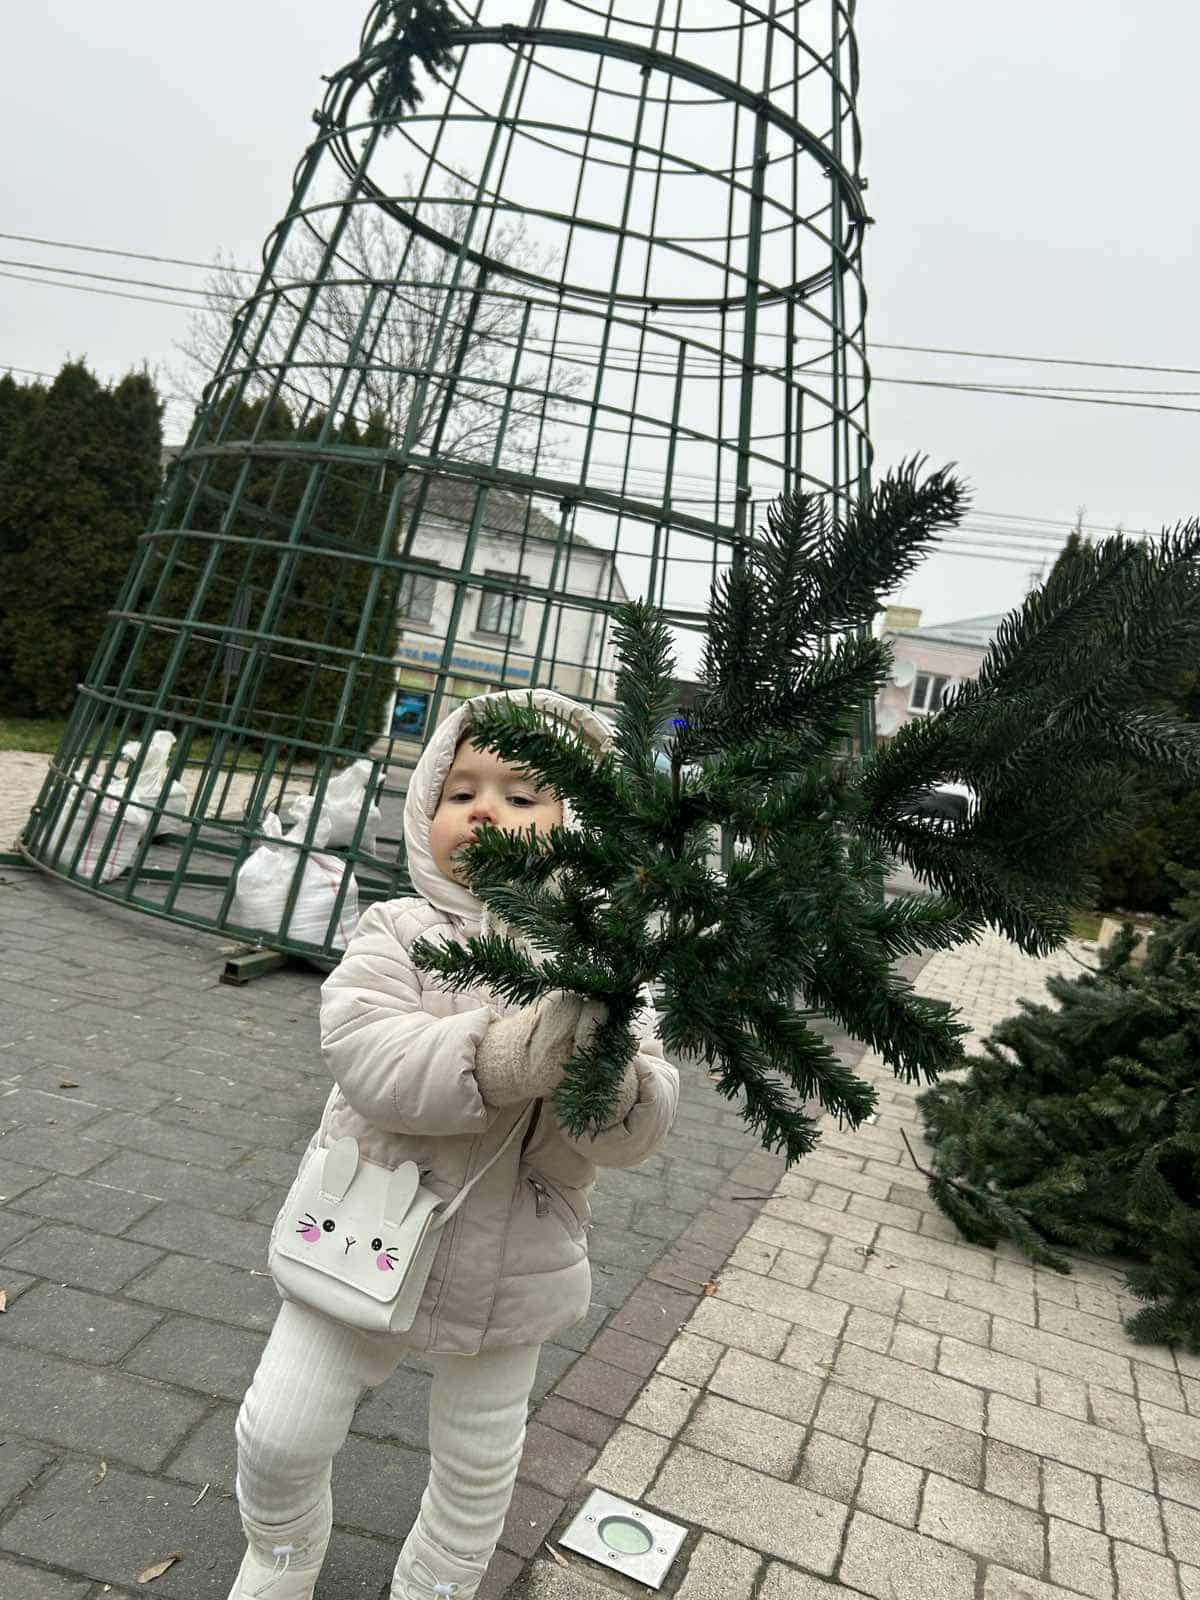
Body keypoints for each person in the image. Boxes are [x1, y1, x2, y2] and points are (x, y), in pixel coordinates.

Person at [228, 688, 679, 1599]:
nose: (485, 811)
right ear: (425, 808)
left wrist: (608, 1066)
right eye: (461, 789)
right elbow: (370, 1056)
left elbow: (633, 1129)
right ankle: (279, 1552)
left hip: (517, 1249)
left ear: (578, 826)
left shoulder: (610, 963)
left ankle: (437, 1584)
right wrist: (516, 1053)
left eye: (522, 796)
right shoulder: (395, 929)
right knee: (280, 1429)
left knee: (477, 1464)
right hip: (365, 1219)